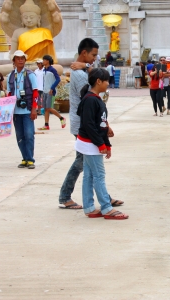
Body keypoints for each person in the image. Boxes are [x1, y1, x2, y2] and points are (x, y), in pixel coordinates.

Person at [59, 38, 124, 209]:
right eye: (93, 55)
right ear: (83, 53)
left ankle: (102, 198)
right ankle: (66, 196)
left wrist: (87, 67)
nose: (95, 58)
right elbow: (90, 105)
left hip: (86, 123)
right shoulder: (81, 75)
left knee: (87, 164)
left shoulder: (82, 71)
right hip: (85, 124)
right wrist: (103, 126)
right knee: (84, 163)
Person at [76, 68, 128, 220]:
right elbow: (89, 125)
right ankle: (106, 207)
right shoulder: (91, 100)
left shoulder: (93, 99)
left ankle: (89, 207)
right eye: (106, 81)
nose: (108, 84)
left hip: (89, 143)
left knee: (89, 175)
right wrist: (101, 144)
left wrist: (107, 142)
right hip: (90, 144)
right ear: (98, 81)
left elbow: (101, 123)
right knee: (98, 175)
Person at [6, 50, 39, 169]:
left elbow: (35, 92)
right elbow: (9, 93)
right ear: (14, 61)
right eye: (18, 58)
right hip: (16, 111)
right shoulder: (10, 76)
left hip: (27, 110)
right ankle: (25, 158)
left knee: (29, 134)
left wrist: (34, 109)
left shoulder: (30, 74)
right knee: (20, 136)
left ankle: (30, 159)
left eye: (22, 58)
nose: (20, 60)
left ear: (25, 60)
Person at [38, 54, 66, 130]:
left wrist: (52, 88)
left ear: (47, 61)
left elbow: (58, 79)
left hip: (50, 91)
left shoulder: (52, 69)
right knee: (46, 108)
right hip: (44, 91)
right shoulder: (44, 70)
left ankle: (61, 118)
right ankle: (46, 124)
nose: (43, 61)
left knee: (49, 108)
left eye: (44, 60)